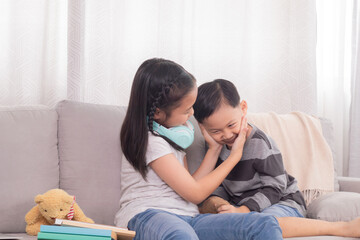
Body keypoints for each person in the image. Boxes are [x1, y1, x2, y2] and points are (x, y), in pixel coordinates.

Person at [115, 58, 283, 240]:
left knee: (263, 224)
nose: (192, 114)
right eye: (187, 110)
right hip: (148, 215)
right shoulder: (151, 142)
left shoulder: (172, 139)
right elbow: (196, 194)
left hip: (188, 217)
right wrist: (234, 156)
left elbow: (189, 187)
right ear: (157, 113)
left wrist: (214, 149)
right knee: (181, 236)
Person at [192, 78, 360, 238]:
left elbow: (275, 187)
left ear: (243, 108)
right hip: (245, 208)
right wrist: (223, 206)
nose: (227, 135)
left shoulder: (259, 143)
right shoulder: (215, 146)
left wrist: (245, 210)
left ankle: (343, 228)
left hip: (280, 202)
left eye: (231, 125)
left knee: (267, 223)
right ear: (203, 128)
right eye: (216, 131)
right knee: (212, 218)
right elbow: (218, 184)